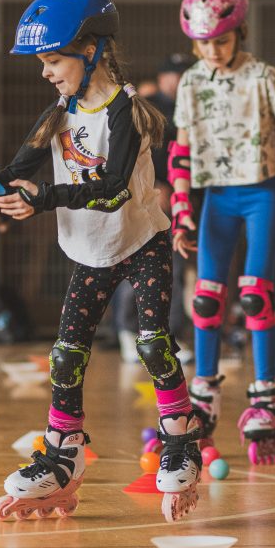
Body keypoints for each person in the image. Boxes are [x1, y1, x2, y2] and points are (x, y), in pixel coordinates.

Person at [0, 0, 202, 523]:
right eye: (43, 62)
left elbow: (112, 190)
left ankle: (181, 441)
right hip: (92, 252)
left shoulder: (124, 111)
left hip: (142, 244)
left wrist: (41, 199)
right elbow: (17, 171)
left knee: (153, 342)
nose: (46, 72)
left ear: (90, 51)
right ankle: (64, 456)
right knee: (66, 355)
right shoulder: (60, 111)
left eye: (53, 60)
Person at [171, 0, 275, 463]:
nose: (213, 51)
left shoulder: (264, 75)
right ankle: (204, 394)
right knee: (205, 300)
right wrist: (181, 208)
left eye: (221, 41)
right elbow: (181, 150)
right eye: (203, 43)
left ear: (239, 32)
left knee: (255, 295)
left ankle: (264, 399)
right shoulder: (191, 82)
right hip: (217, 196)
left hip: (263, 191)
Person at [113, 53, 196, 363]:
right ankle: (128, 332)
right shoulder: (146, 107)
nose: (178, 81)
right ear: (161, 78)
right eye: (172, 74)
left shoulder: (191, 109)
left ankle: (168, 335)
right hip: (144, 199)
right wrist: (154, 186)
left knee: (173, 268)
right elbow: (130, 153)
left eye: (183, 74)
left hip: (181, 201)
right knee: (135, 266)